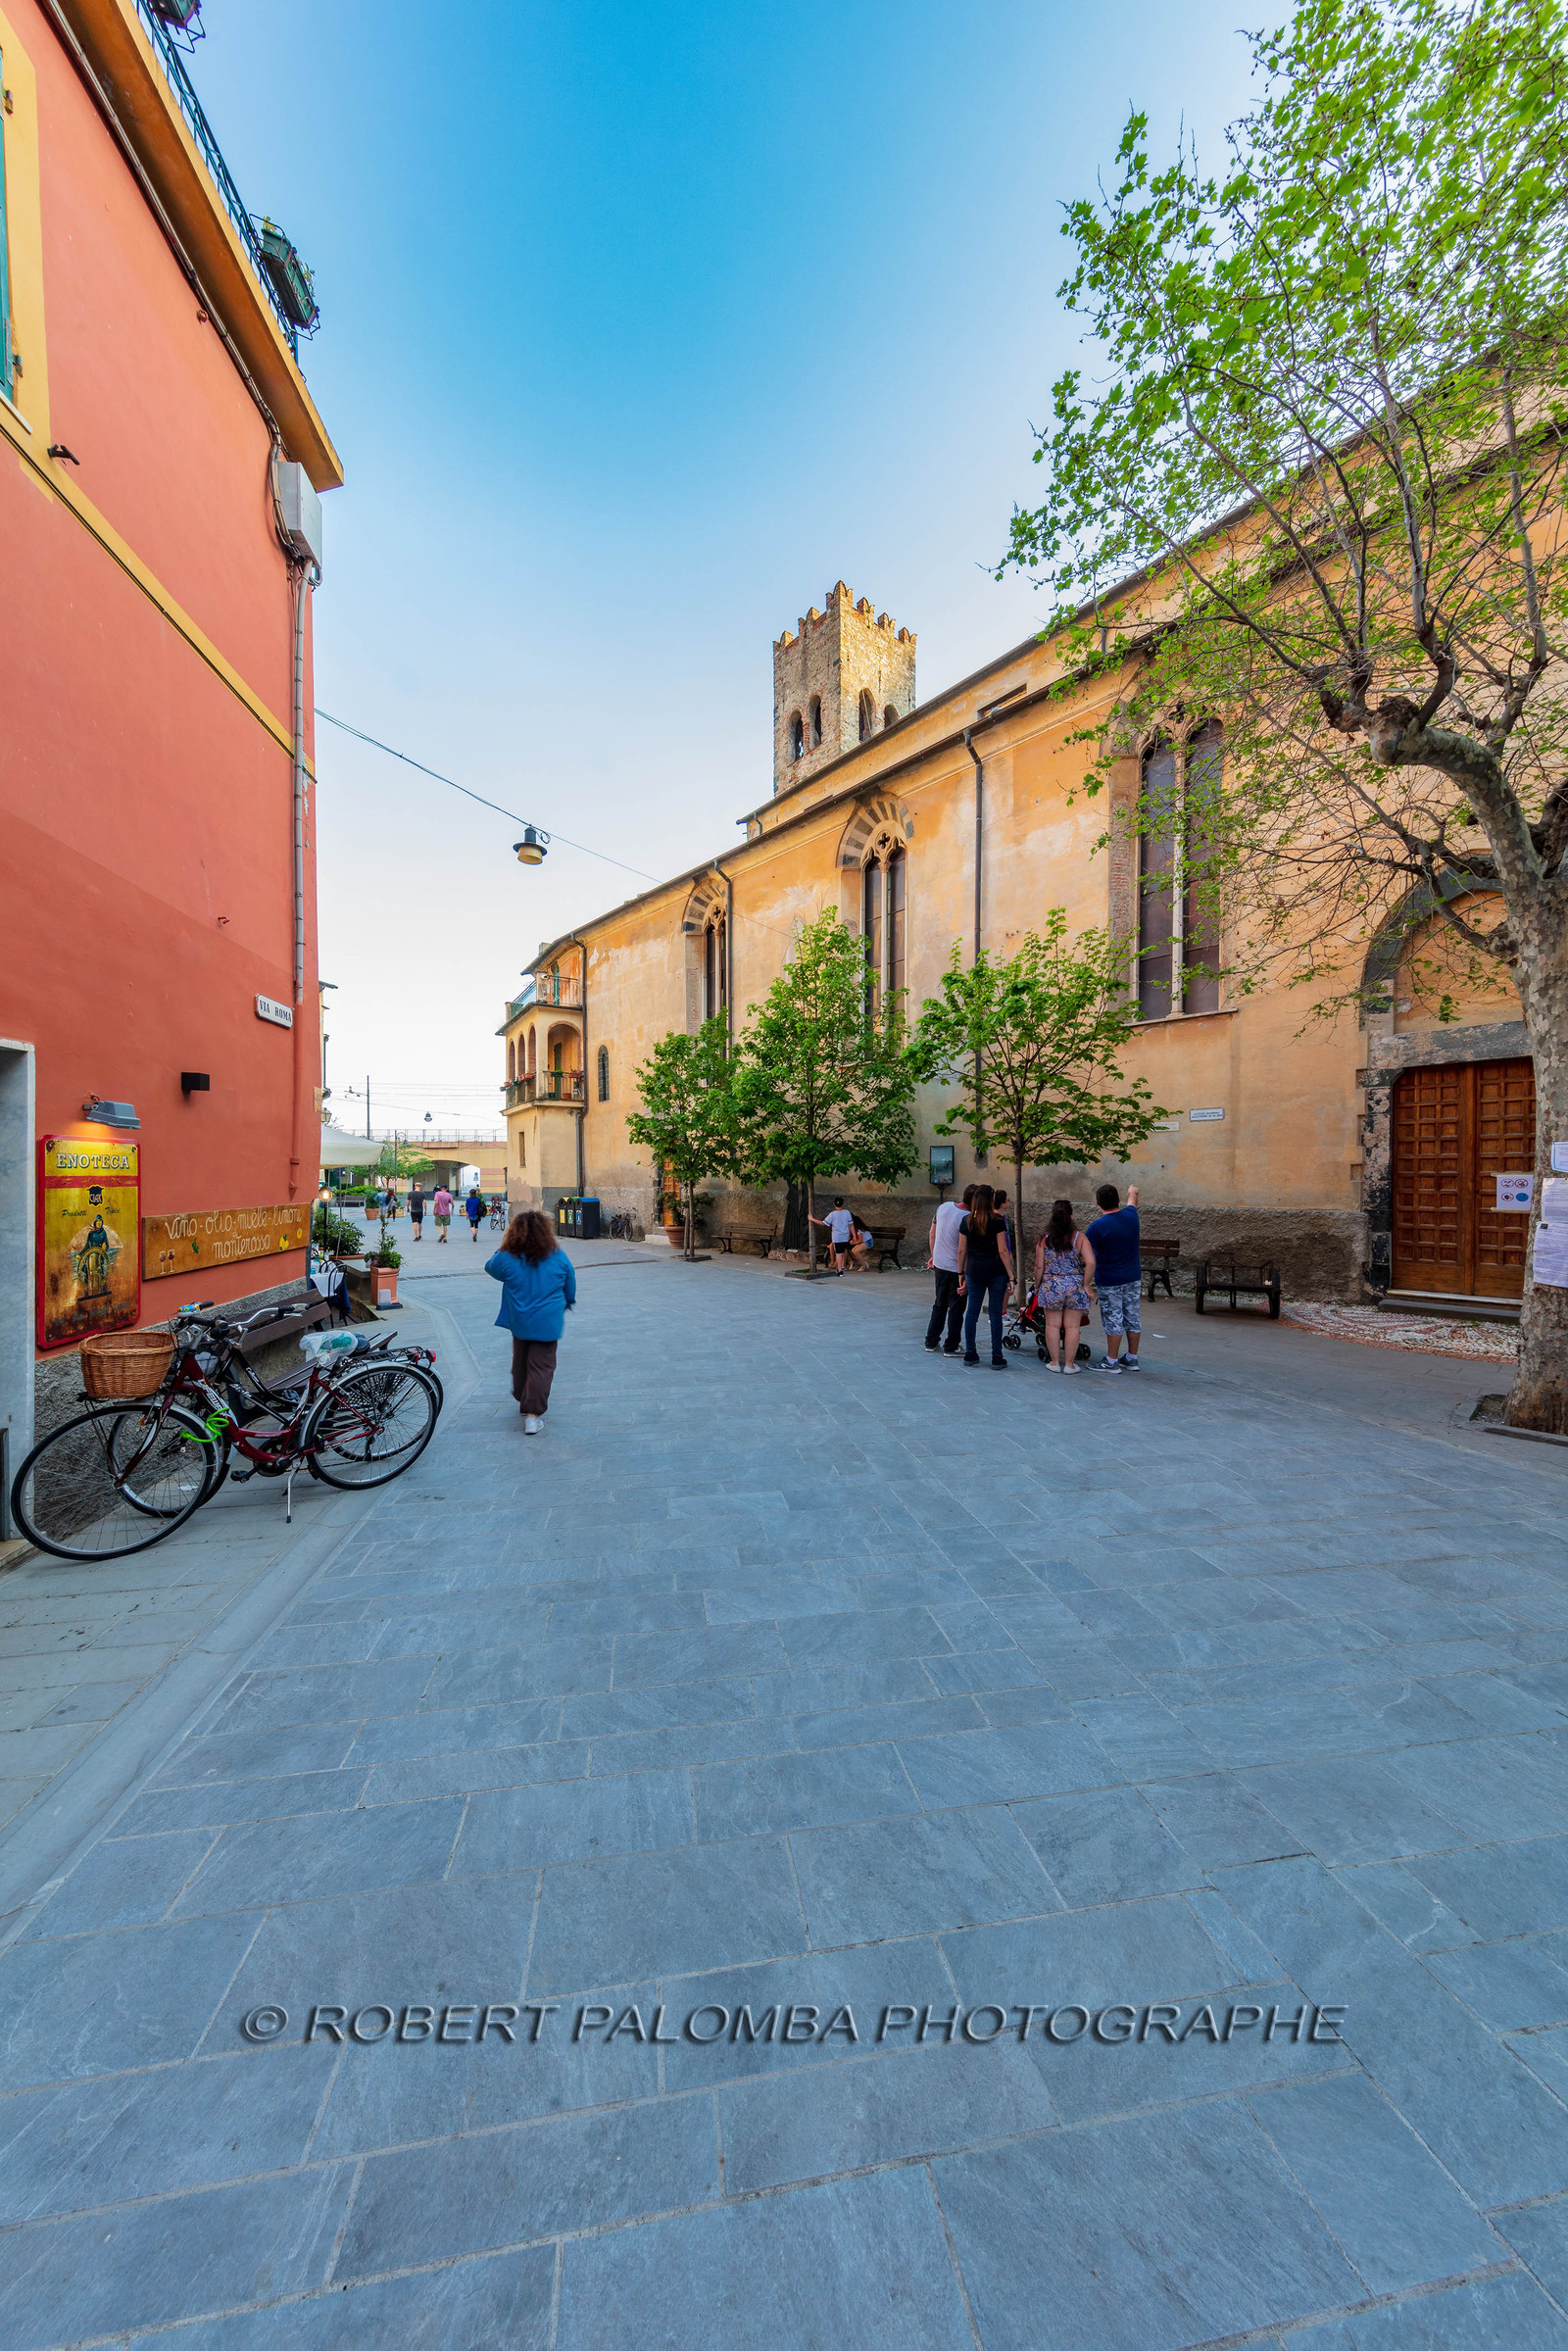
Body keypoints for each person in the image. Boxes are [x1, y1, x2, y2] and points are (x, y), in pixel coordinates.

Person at [485, 1209, 576, 1433]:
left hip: (520, 1320)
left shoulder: (508, 1257)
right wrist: (567, 1302)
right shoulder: (557, 1255)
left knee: (520, 1361)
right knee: (542, 1366)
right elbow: (570, 1283)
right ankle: (533, 1416)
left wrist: (503, 1247)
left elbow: (490, 1267)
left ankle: (522, 1395)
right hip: (548, 1321)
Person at [1033, 1198, 1096, 1373]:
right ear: (1071, 1216)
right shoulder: (1079, 1238)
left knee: (1052, 1326)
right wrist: (1086, 1284)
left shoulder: (1045, 1239)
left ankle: (1054, 1363)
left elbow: (1039, 1266)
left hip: (1051, 1285)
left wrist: (1037, 1286)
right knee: (1072, 1327)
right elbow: (1091, 1262)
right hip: (1075, 1286)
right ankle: (1069, 1365)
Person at [1086, 1181, 1143, 1371]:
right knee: (1132, 1317)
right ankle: (1132, 1358)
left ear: (1097, 1203)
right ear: (1118, 1199)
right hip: (1133, 1277)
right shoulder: (1131, 1216)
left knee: (1113, 1319)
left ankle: (1111, 1361)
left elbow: (1084, 1252)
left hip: (1109, 1280)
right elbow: (1132, 1200)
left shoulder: (1097, 1227)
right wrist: (1132, 1191)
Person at [956, 1183, 1014, 1368]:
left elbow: (962, 1250)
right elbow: (1003, 1250)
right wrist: (1011, 1276)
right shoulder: (997, 1221)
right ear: (990, 1200)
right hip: (996, 1271)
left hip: (974, 1270)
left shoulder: (967, 1221)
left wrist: (961, 1272)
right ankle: (997, 1356)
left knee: (972, 1311)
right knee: (995, 1313)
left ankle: (970, 1353)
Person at [925, 1184, 975, 1354]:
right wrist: (964, 1272)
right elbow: (964, 1249)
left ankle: (931, 1342)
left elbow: (932, 1233)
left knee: (939, 1304)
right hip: (956, 1267)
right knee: (956, 1308)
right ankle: (951, 1346)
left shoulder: (943, 1207)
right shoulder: (968, 1218)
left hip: (940, 1264)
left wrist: (934, 1255)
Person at [809, 1197, 857, 1272]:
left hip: (837, 1237)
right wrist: (854, 1235)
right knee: (844, 1251)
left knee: (838, 1253)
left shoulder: (832, 1214)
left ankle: (840, 1270)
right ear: (842, 1204)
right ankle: (843, 1265)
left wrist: (812, 1219)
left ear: (834, 1204)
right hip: (845, 1237)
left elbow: (823, 1223)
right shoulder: (847, 1212)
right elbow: (851, 1225)